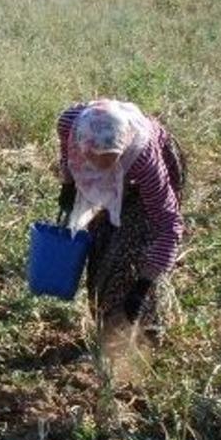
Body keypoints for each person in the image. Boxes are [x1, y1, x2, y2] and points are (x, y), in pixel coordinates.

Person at [55, 99, 185, 334]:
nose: (102, 168)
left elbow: (168, 223)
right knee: (100, 244)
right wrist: (68, 183)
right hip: (120, 173)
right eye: (95, 160)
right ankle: (105, 324)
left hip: (141, 184)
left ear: (123, 147)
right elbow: (66, 152)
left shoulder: (144, 160)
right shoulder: (69, 123)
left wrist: (142, 286)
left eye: (111, 160)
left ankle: (143, 329)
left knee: (133, 249)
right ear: (82, 145)